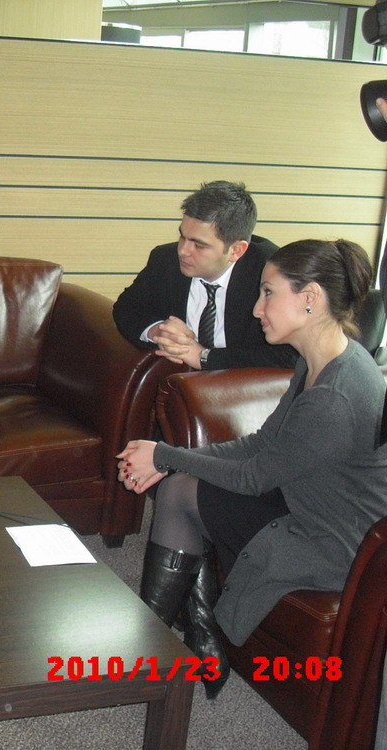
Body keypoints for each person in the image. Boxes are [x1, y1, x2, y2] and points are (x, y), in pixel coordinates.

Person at [117, 238, 387, 698]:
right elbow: (261, 444)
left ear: (310, 298)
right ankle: (195, 638)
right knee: (180, 485)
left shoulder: (335, 395)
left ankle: (161, 646)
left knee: (180, 489)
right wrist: (169, 459)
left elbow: (254, 476)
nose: (257, 309)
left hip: (332, 545)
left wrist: (163, 456)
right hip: (305, 502)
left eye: (268, 293)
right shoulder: (321, 361)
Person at [113, 180, 297, 371]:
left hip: (244, 386)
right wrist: (158, 330)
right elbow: (126, 307)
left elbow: (290, 354)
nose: (183, 251)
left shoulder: (273, 274)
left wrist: (204, 357)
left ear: (236, 250)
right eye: (182, 236)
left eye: (199, 245)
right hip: (182, 382)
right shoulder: (165, 259)